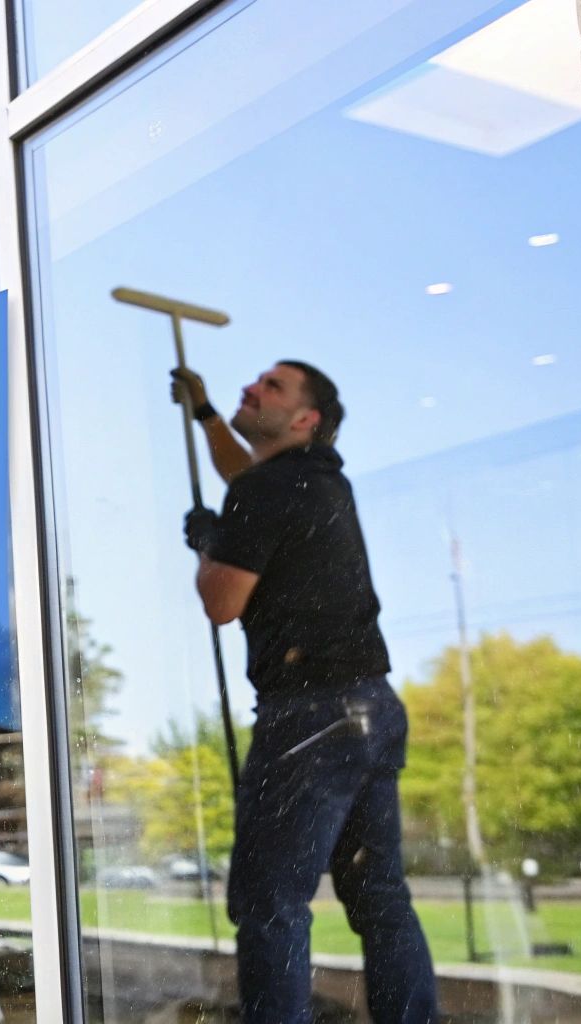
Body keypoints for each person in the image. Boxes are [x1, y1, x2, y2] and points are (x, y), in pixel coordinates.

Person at [172, 363, 437, 1023]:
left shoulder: (268, 488)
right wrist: (205, 412)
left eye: (273, 386)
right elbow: (244, 476)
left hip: (310, 718)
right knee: (380, 898)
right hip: (371, 708)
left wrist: (208, 545)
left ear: (304, 419)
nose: (252, 387)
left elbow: (223, 602)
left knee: (269, 905)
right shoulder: (315, 481)